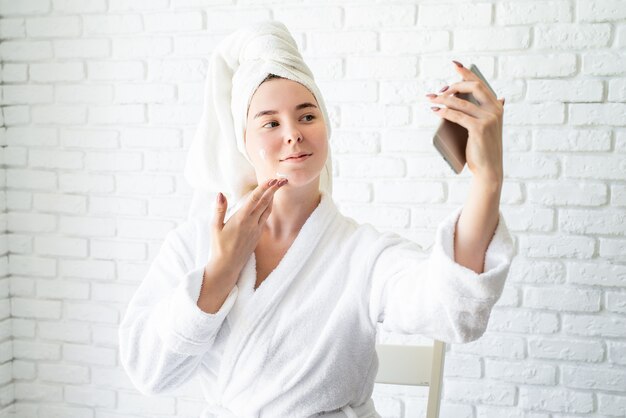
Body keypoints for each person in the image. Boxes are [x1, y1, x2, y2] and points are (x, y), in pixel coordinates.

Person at [118, 20, 515, 418]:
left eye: (307, 116)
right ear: (244, 141)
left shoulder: (362, 253)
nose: (293, 133)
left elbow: (454, 308)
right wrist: (219, 273)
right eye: (270, 123)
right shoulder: (194, 244)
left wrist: (488, 180)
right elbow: (147, 371)